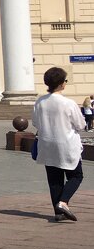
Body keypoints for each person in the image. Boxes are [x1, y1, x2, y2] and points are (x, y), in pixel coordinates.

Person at [32, 66, 85, 221]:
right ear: (62, 83)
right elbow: (80, 125)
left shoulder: (40, 102)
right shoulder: (68, 103)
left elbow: (35, 122)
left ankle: (59, 213)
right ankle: (63, 202)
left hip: (47, 144)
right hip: (66, 145)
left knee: (54, 180)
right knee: (76, 176)